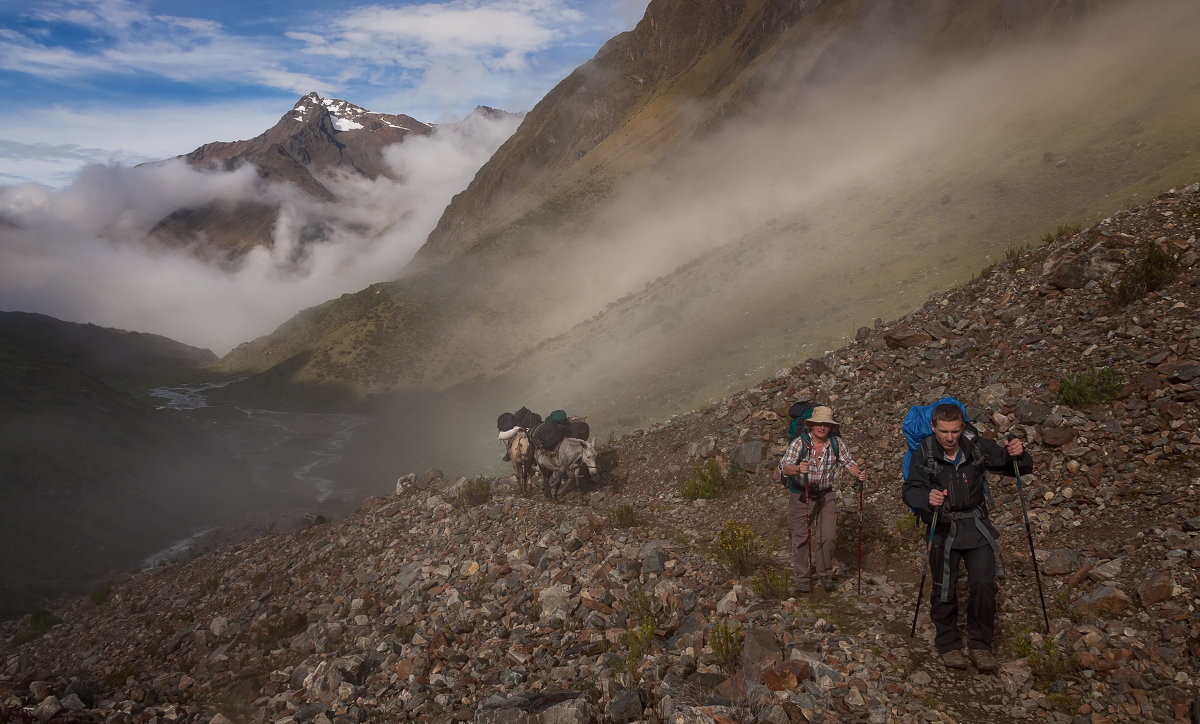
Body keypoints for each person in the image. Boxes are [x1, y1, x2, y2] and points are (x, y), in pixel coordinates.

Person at [901, 403, 1033, 673]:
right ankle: (948, 645)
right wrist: (926, 498)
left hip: (976, 525)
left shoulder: (976, 445)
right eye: (944, 432)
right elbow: (910, 490)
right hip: (942, 528)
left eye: (955, 431)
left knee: (984, 584)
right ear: (933, 428)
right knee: (944, 587)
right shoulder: (923, 452)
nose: (949, 438)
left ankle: (981, 645)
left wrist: (1018, 454)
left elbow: (1014, 466)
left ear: (962, 427)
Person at [778, 406, 867, 593]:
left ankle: (825, 573)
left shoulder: (836, 443)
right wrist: (797, 469)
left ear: (830, 427)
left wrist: (857, 473)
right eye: (819, 423)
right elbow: (785, 467)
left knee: (827, 537)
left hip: (826, 495)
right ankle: (803, 577)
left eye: (826, 424)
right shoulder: (799, 443)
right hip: (801, 495)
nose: (822, 427)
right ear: (812, 425)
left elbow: (848, 462)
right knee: (801, 538)